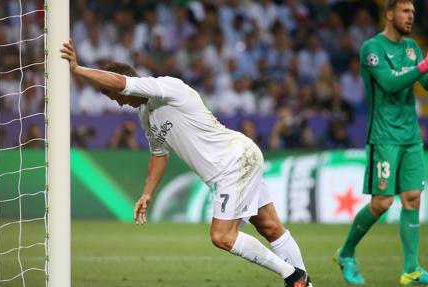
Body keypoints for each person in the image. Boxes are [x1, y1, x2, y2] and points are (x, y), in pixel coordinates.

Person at [60, 39, 313, 287]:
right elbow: (159, 154)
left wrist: (78, 70)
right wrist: (147, 194)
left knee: (222, 236)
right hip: (239, 159)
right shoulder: (146, 116)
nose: (117, 101)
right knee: (270, 227)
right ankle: (304, 282)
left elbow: (122, 83)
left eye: (113, 94)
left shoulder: (167, 87)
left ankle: (293, 276)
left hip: (232, 162)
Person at [333, 0, 428, 285]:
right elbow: (389, 83)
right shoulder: (371, 49)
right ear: (389, 14)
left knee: (412, 198)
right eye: (405, 11)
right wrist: (426, 63)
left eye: (413, 12)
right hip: (384, 136)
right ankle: (346, 252)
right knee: (382, 202)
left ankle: (411, 269)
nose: (411, 16)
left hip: (410, 136)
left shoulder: (411, 47)